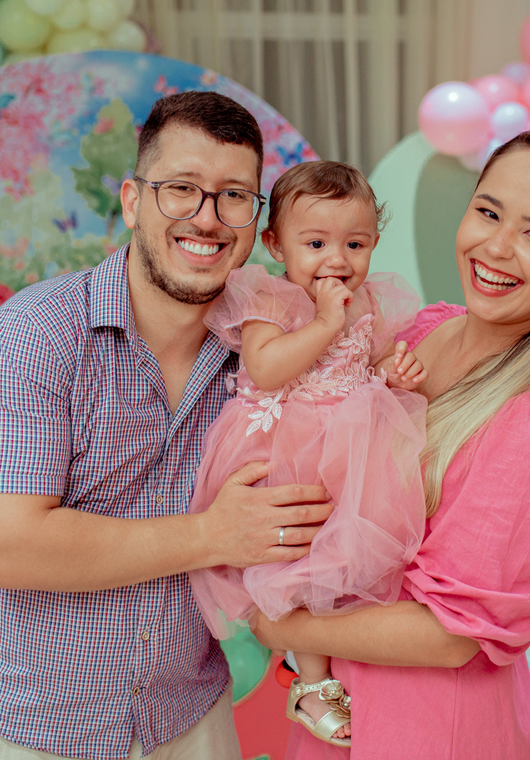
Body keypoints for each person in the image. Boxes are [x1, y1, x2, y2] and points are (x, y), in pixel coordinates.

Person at [0, 91, 335, 760]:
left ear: (255, 222)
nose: (207, 218)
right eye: (181, 188)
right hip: (33, 729)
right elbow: (0, 549)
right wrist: (213, 535)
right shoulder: (36, 335)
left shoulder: (266, 351)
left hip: (191, 717)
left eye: (234, 196)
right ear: (133, 201)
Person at [250, 126, 530, 759]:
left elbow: (451, 635)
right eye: (489, 212)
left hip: (428, 728)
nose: (497, 247)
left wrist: (282, 621)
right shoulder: (423, 331)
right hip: (335, 706)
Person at [187, 161, 429, 746]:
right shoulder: (269, 296)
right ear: (275, 244)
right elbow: (268, 367)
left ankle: (337, 666)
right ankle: (311, 683)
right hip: (285, 449)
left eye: (355, 244)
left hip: (352, 446)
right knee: (297, 560)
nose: (336, 260)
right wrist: (324, 321)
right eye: (316, 244)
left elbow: (368, 358)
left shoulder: (367, 300)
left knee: (352, 558)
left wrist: (393, 372)